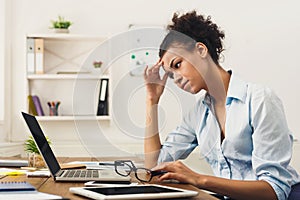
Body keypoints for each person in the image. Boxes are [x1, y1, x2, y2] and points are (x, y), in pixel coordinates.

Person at [143, 10, 300, 200]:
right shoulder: (198, 114)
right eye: (170, 75)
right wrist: (152, 100)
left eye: (177, 65)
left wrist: (199, 179)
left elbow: (274, 190)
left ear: (201, 50)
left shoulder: (260, 100)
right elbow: (154, 164)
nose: (175, 79)